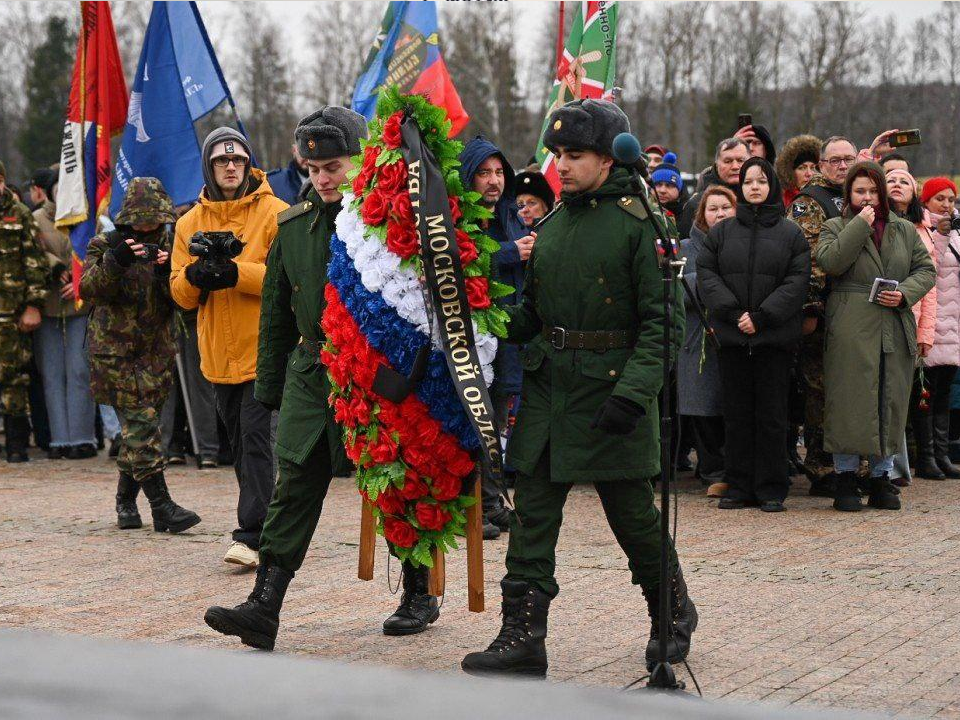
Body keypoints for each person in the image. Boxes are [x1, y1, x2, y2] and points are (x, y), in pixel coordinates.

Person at [461, 99, 698, 678]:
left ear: (607, 157)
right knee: (532, 516)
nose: (560, 166)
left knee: (635, 520)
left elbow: (664, 325)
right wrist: (475, 302)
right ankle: (521, 636)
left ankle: (670, 614)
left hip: (609, 394)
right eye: (557, 154)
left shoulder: (643, 223)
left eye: (574, 155)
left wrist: (633, 395)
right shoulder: (553, 224)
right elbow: (533, 318)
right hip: (549, 393)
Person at [205, 107, 405, 652]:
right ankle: (264, 607)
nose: (321, 179)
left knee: (393, 484)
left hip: (376, 375)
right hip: (311, 374)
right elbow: (274, 316)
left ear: (359, 160)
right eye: (312, 168)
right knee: (293, 486)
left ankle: (416, 589)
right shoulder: (292, 227)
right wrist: (269, 386)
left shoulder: (388, 223)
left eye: (332, 166)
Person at [170, 128, 287, 568]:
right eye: (222, 162)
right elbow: (179, 293)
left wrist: (237, 272)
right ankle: (274, 525)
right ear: (210, 167)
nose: (231, 167)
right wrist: (198, 277)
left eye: (237, 160)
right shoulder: (187, 224)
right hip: (217, 355)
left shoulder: (275, 213)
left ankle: (252, 535)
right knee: (240, 444)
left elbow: (283, 279)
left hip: (265, 349)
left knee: (257, 439)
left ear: (249, 163)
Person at [80, 178, 201, 533]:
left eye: (155, 221)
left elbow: (181, 300)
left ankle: (125, 501)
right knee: (141, 428)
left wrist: (167, 272)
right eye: (141, 222)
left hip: (155, 354)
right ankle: (162, 507)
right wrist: (115, 262)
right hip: (114, 355)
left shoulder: (171, 244)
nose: (148, 229)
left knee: (142, 429)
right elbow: (89, 288)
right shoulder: (106, 244)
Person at [816, 162, 935, 512]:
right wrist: (858, 226)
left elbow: (926, 270)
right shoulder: (834, 226)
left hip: (893, 320)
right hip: (851, 322)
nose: (867, 197)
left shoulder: (903, 229)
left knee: (890, 396)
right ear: (848, 194)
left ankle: (882, 478)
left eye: (872, 191)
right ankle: (846, 477)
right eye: (859, 191)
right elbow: (831, 262)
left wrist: (904, 294)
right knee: (850, 399)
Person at [697, 158, 810, 512]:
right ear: (740, 187)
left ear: (772, 185)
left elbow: (796, 280)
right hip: (732, 339)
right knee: (737, 414)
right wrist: (733, 314)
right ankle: (739, 484)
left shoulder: (791, 233)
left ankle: (771, 487)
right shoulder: (722, 233)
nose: (755, 187)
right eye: (748, 182)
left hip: (772, 340)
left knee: (772, 415)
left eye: (762, 181)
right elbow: (707, 274)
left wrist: (762, 317)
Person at [458, 136, 527, 539]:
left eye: (499, 172)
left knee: (498, 421)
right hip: (469, 336)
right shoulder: (456, 217)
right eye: (483, 172)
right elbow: (457, 260)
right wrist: (508, 254)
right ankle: (473, 506)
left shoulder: (510, 215)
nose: (493, 181)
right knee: (473, 421)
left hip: (508, 337)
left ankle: (493, 499)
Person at [787, 135, 858, 496]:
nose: (842, 166)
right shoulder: (810, 202)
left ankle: (855, 463)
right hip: (825, 307)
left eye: (848, 159)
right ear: (821, 164)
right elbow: (809, 259)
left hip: (859, 308)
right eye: (835, 160)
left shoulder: (861, 194)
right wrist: (812, 305)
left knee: (852, 387)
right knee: (820, 389)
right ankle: (821, 465)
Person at [29, 168, 97, 460]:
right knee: (52, 373)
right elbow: (30, 251)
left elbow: (95, 251)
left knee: (80, 371)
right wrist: (56, 266)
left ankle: (83, 437)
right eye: (58, 186)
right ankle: (59, 439)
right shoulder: (35, 220)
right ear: (49, 190)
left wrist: (81, 279)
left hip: (80, 305)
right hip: (47, 303)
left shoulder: (86, 218)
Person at [679, 186, 736, 498]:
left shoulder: (743, 243)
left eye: (726, 207)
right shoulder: (686, 248)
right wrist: (712, 282)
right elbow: (679, 287)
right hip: (697, 339)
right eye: (713, 208)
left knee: (731, 406)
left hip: (734, 334)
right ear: (702, 215)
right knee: (702, 408)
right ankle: (711, 468)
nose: (720, 213)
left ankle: (731, 467)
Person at [886, 169, 938, 483]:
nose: (896, 184)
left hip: (911, 318)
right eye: (889, 179)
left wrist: (926, 333)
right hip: (879, 316)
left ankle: (897, 466)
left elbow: (929, 287)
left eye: (904, 181)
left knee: (902, 396)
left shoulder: (922, 230)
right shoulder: (872, 222)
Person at [0, 160, 47, 463]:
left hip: (12, 313)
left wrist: (33, 305)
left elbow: (36, 262)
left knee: (14, 379)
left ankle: (16, 444)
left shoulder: (19, 215)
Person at [915, 177, 960, 479]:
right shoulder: (922, 230)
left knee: (943, 391)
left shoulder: (956, 233)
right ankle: (925, 456)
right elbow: (930, 264)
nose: (946, 205)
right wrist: (941, 234)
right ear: (926, 202)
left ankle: (942, 455)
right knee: (925, 395)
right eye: (939, 199)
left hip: (953, 322)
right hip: (932, 320)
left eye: (951, 200)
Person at [678, 138, 749, 239]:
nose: (735, 166)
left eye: (741, 160)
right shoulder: (696, 204)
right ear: (716, 164)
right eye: (728, 161)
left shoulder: (760, 199)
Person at [775, 135, 820, 208]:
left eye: (813, 168)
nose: (809, 174)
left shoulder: (827, 198)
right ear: (790, 172)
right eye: (802, 168)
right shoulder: (778, 203)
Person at [651, 152, 684, 219]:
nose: (662, 190)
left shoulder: (688, 212)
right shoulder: (643, 209)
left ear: (679, 190)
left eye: (669, 185)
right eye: (658, 184)